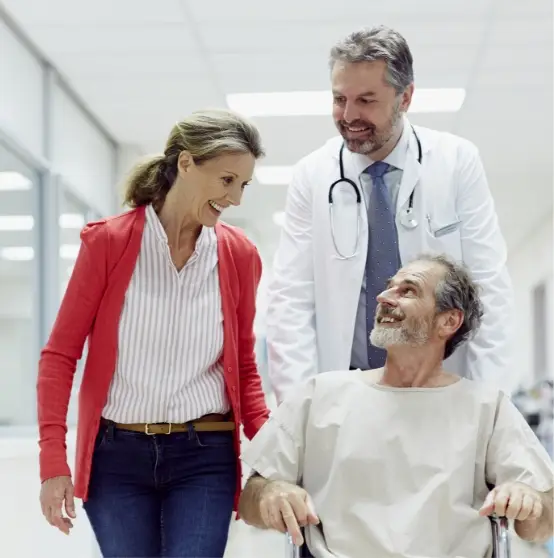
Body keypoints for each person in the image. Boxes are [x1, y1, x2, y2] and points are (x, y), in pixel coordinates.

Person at [37, 109, 271, 557]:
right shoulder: (108, 244)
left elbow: (243, 366)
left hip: (205, 454)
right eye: (227, 180)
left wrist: (275, 455)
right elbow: (59, 357)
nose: (236, 198)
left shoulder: (239, 256)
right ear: (186, 164)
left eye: (243, 185)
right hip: (116, 457)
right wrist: (53, 463)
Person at [239, 254, 554, 558]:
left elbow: (544, 523)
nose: (384, 297)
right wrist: (269, 493)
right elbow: (251, 499)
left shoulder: (487, 407)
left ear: (448, 320)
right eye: (389, 286)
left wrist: (531, 502)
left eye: (408, 290)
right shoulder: (319, 394)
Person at [266, 25, 514, 403]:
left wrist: (488, 402)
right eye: (339, 99)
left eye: (366, 100)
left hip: (440, 388)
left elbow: (488, 288)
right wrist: (298, 408)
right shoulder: (312, 174)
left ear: (405, 97)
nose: (349, 115)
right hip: (345, 392)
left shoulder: (456, 162)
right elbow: (291, 301)